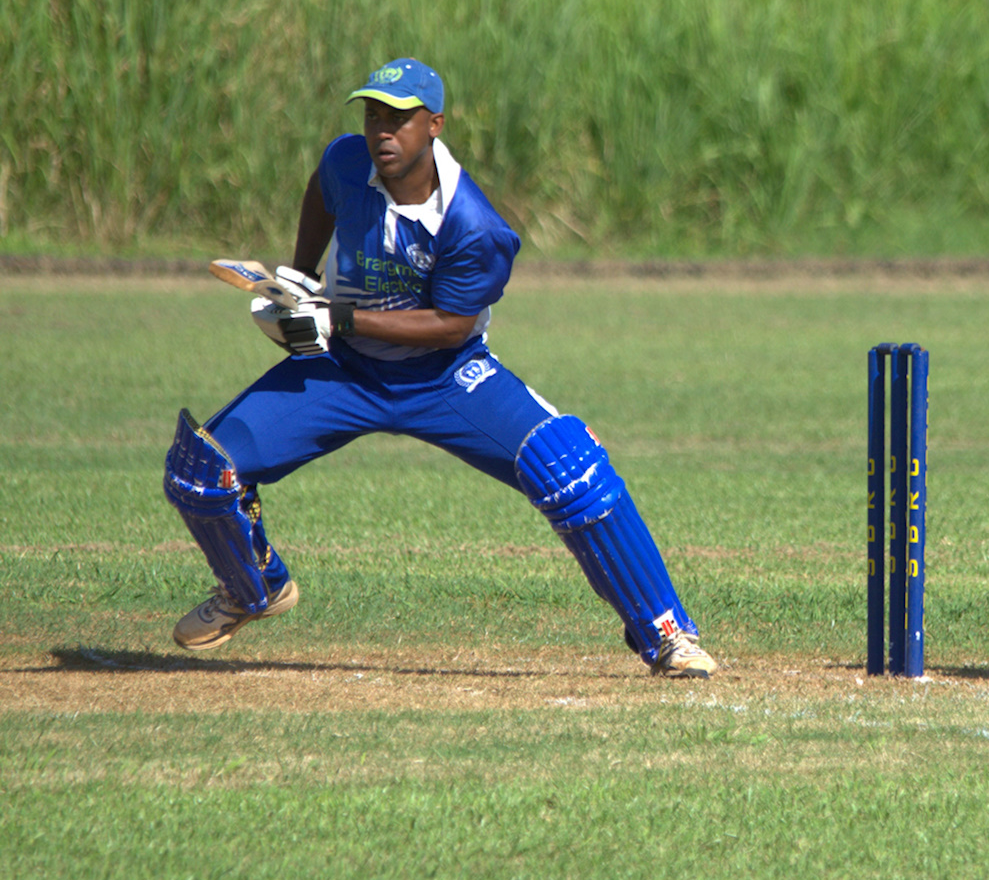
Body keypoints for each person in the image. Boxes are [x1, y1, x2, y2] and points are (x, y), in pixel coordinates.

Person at [163, 58, 717, 678]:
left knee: (573, 472)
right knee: (201, 474)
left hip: (448, 377)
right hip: (345, 371)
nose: (382, 132)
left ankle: (669, 634)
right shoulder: (349, 162)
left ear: (435, 126)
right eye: (374, 116)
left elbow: (451, 325)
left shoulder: (474, 227)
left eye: (400, 119)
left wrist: (336, 319)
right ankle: (253, 587)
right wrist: (303, 280)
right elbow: (323, 188)